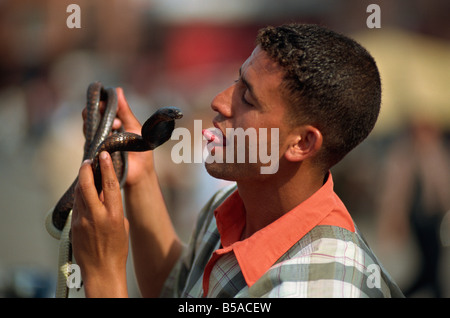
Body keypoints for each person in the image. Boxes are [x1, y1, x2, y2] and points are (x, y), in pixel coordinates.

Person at [71, 23, 404, 298]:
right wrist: (140, 174)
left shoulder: (321, 286)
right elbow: (175, 290)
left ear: (301, 142)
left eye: (247, 97)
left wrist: (103, 276)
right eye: (236, 81)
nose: (219, 102)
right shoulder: (233, 206)